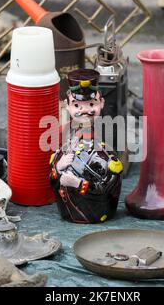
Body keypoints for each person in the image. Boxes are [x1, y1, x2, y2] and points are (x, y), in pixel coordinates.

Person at [49, 69, 122, 224]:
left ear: (101, 104)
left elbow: (108, 187)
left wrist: (78, 183)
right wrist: (58, 168)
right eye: (77, 105)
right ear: (67, 106)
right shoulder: (64, 148)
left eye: (91, 104)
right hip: (68, 212)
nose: (85, 110)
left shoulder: (106, 154)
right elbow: (52, 181)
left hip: (95, 213)